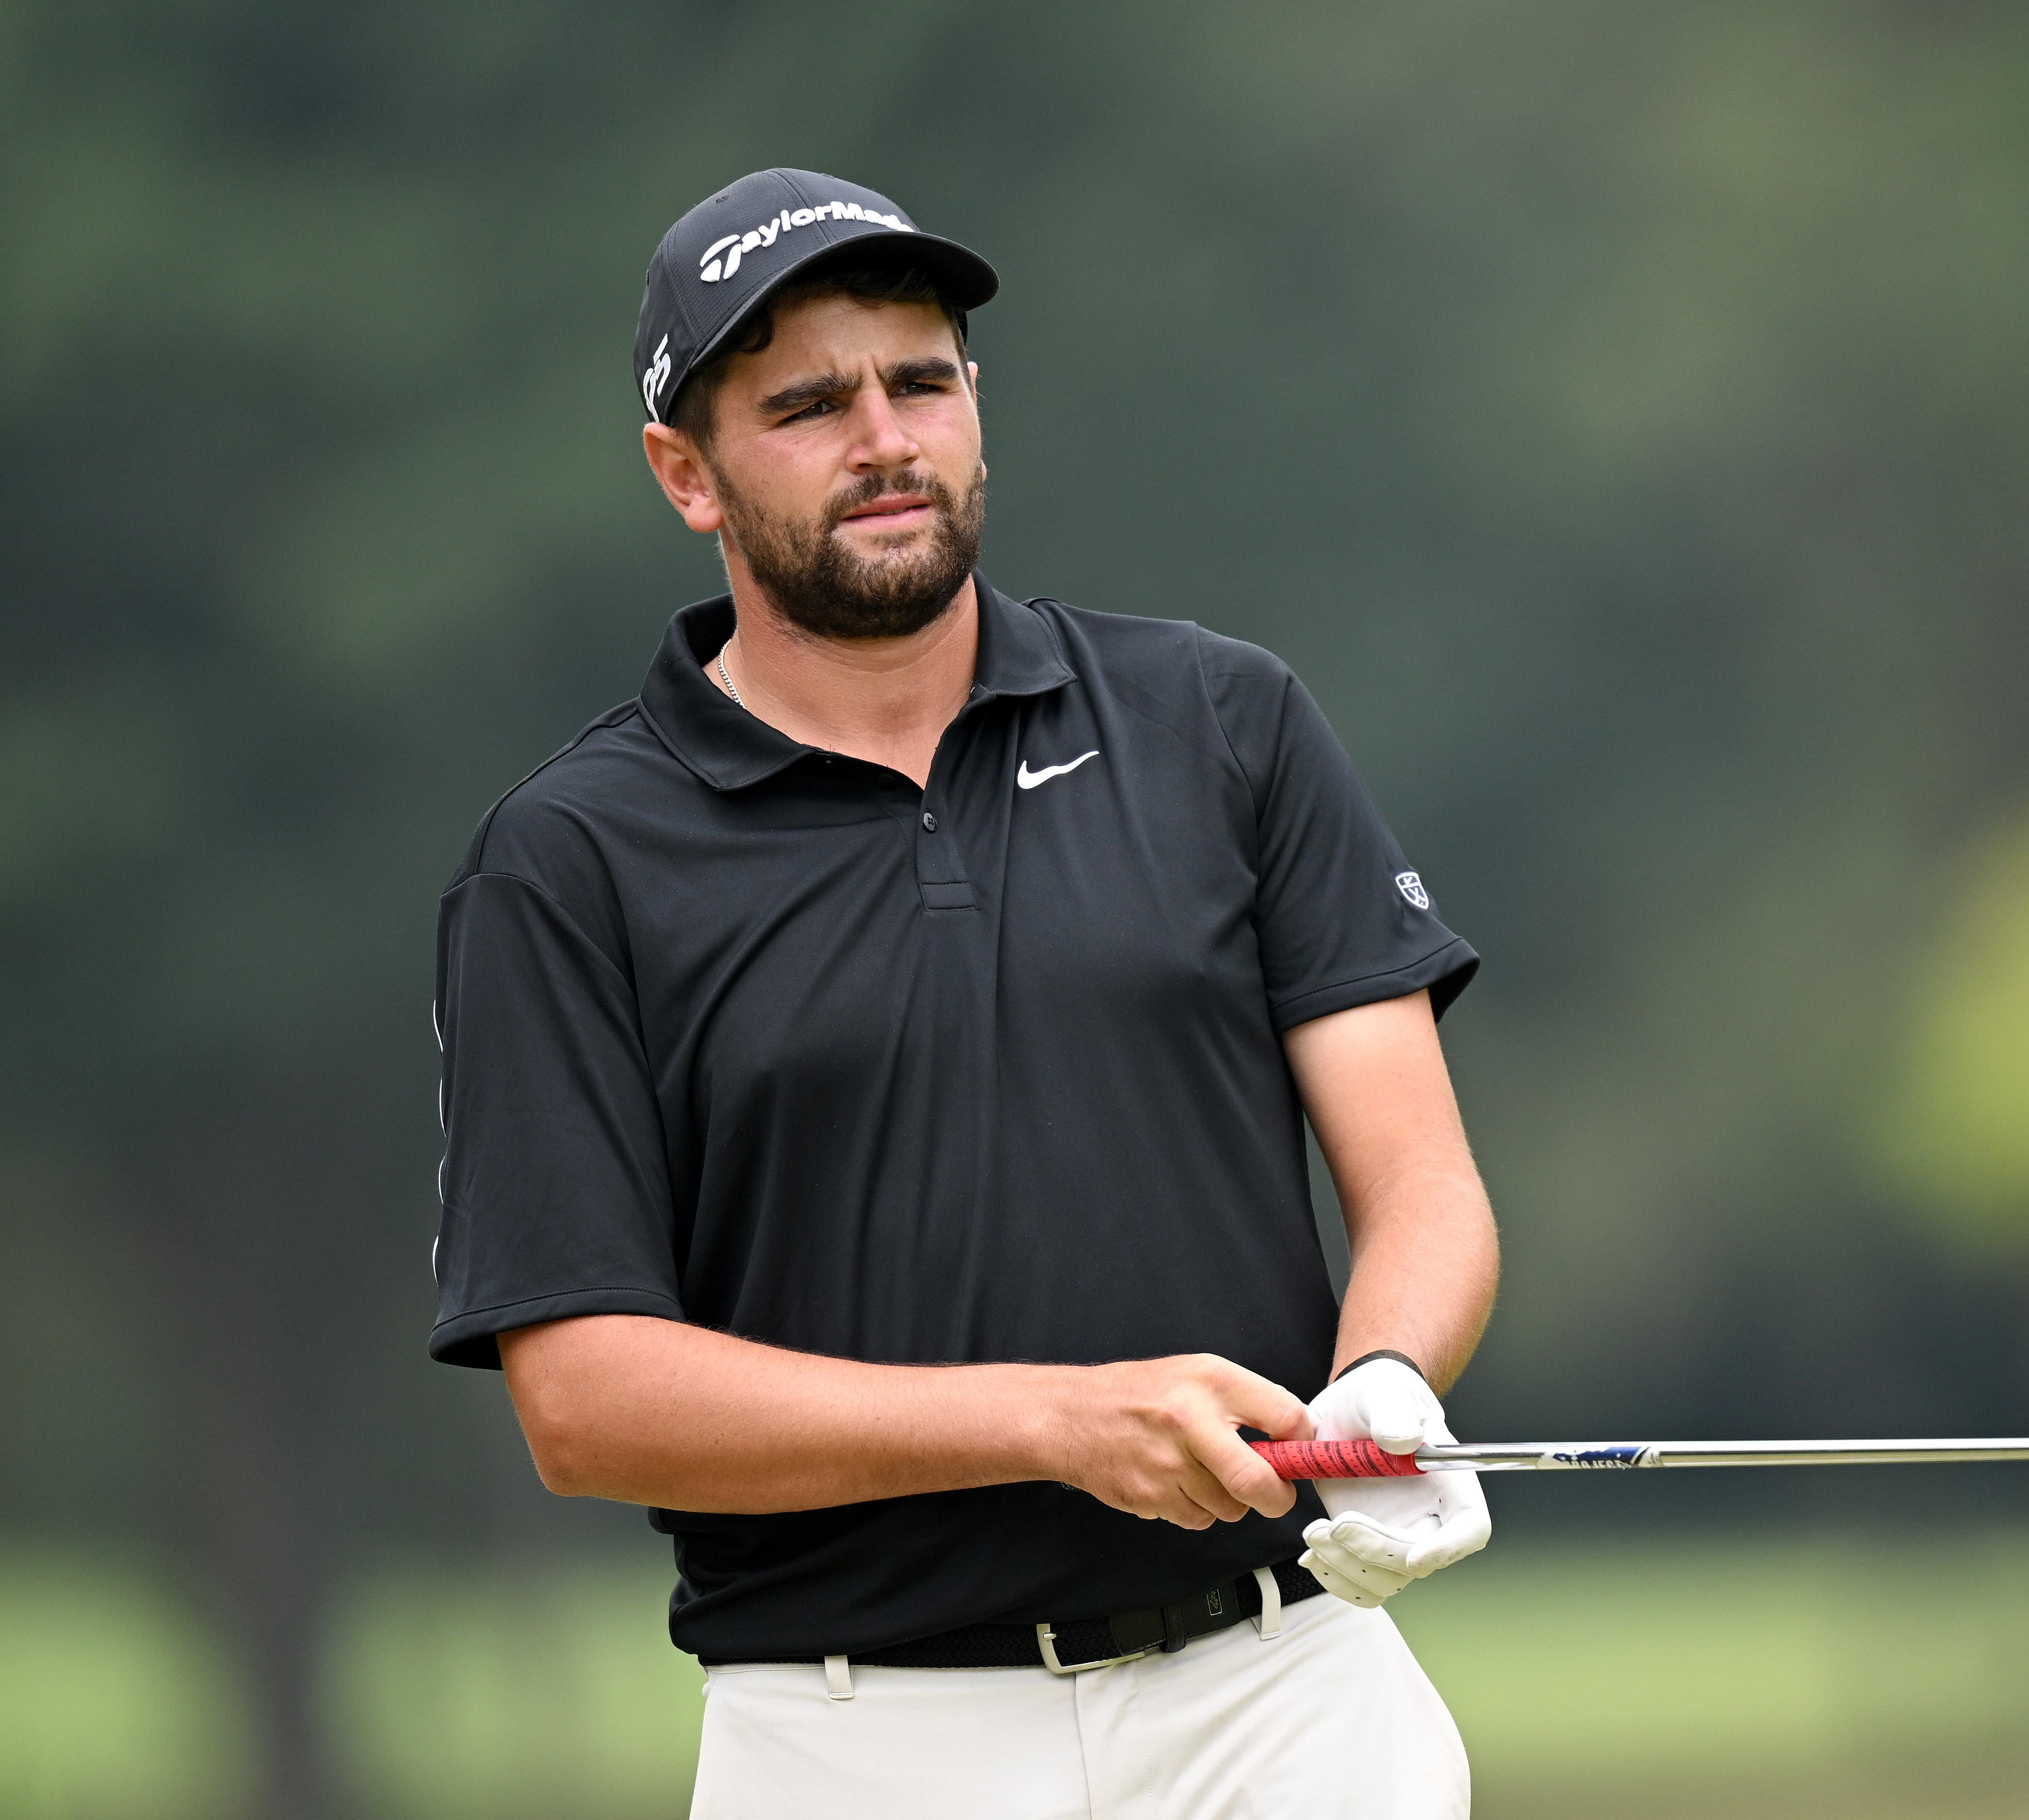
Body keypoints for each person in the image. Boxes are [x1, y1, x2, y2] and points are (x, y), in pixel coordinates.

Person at [426, 169, 1498, 1817]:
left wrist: (1388, 1384)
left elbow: (1420, 1181)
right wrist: (1054, 1424)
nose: (882, 438)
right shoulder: (570, 860)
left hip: (1281, 1700)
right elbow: (587, 1402)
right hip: (858, 1739)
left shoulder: (1220, 723)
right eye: (804, 405)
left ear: (974, 406)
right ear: (684, 473)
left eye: (920, 382)